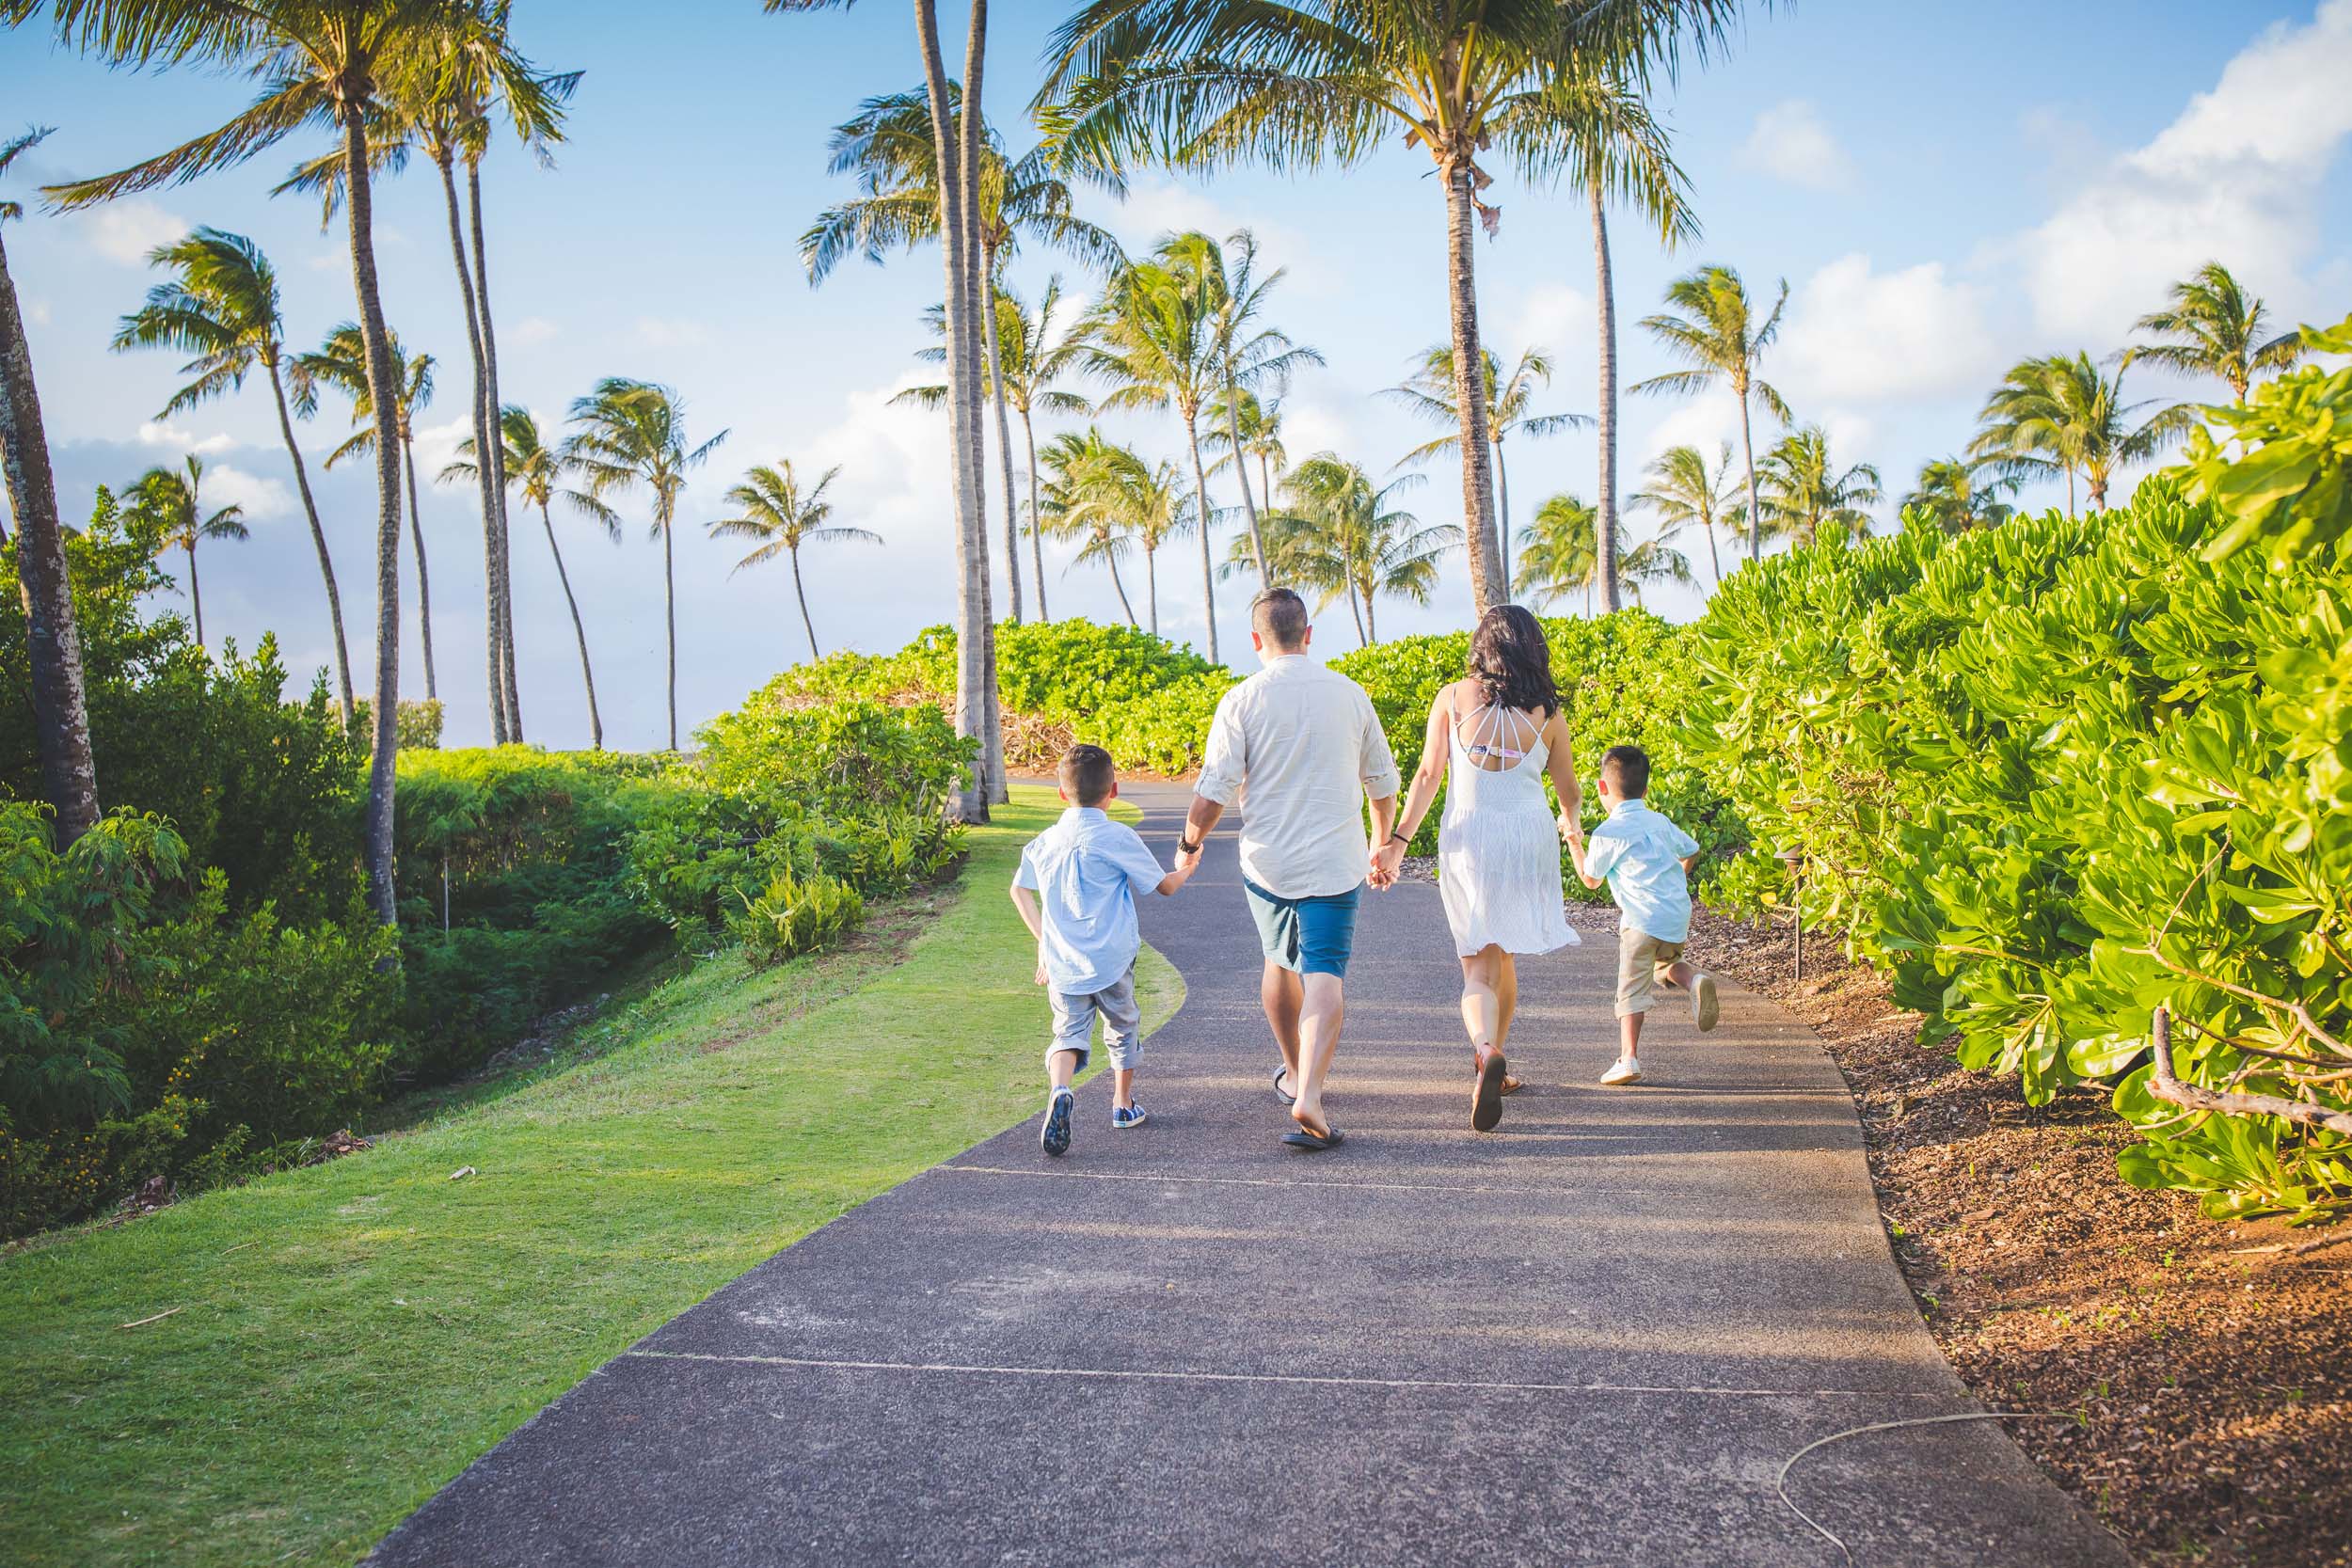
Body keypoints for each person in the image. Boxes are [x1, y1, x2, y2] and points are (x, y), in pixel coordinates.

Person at [1176, 588, 1401, 1151]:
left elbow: (1214, 791)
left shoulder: (1241, 699)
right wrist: (1379, 844)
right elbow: (1383, 784)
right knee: (1324, 971)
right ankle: (1312, 1094)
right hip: (1336, 860)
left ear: (1256, 640)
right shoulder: (1350, 694)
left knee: (1278, 960)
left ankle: (1294, 1072)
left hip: (1267, 862)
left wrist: (1188, 843)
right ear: (1309, 635)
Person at [1375, 605, 1583, 1132]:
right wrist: (1574, 834)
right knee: (1502, 951)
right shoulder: (1549, 714)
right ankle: (1497, 1062)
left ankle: (1486, 1049)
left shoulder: (1452, 697)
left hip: (1470, 835)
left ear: (1482, 646)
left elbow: (1427, 773)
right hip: (1526, 836)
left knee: (1477, 963)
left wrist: (1398, 842)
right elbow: (1569, 793)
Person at [1010, 743, 1196, 1158]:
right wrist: (1186, 869)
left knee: (1068, 1033)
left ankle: (1060, 1090)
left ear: (1061, 793)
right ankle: (1122, 1105)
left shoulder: (1044, 842)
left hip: (1063, 965)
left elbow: (1018, 889)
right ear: (1113, 790)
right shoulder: (1117, 836)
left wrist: (1044, 940)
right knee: (1123, 1025)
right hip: (1111, 960)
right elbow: (1163, 886)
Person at [1565, 744, 1720, 1085]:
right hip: (1675, 914)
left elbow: (1590, 880)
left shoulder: (1608, 832)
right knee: (1664, 964)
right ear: (1646, 789)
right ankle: (1694, 981)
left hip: (1640, 921)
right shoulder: (1660, 821)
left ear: (1602, 788)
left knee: (1630, 988)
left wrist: (1574, 842)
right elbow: (1691, 849)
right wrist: (1678, 876)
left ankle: (1628, 1058)